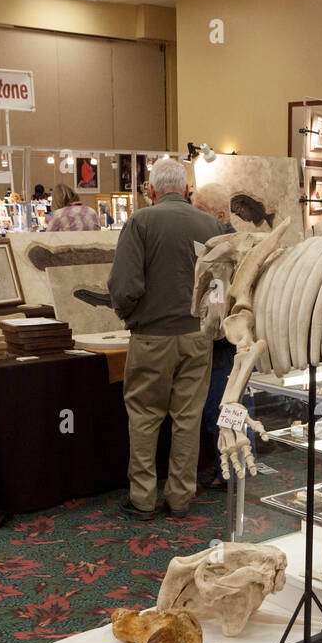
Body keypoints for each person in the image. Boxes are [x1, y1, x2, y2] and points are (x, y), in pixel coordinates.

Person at [109, 157, 228, 520]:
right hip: (197, 338)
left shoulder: (140, 222)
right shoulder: (212, 225)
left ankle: (143, 499)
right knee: (188, 418)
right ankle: (180, 499)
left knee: (145, 418)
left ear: (151, 190)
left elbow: (125, 287)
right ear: (187, 190)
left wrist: (129, 316)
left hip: (151, 338)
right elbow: (221, 286)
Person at [192, 184, 240, 490]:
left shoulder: (227, 247)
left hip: (223, 342)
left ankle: (231, 471)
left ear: (218, 214)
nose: (194, 216)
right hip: (225, 340)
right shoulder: (223, 242)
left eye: (200, 209)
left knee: (221, 405)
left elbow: (219, 296)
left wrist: (210, 327)